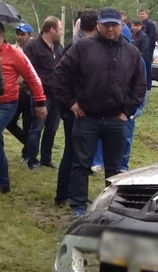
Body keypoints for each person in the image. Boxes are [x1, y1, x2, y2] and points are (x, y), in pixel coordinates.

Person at [54, 7, 146, 215]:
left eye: (114, 25)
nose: (110, 29)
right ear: (98, 25)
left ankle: (110, 206)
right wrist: (71, 102)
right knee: (81, 163)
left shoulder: (131, 52)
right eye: (106, 25)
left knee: (114, 168)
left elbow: (140, 84)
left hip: (116, 119)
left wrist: (128, 111)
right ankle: (78, 204)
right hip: (87, 117)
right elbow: (60, 74)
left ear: (122, 26)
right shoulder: (83, 47)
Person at [54, 9, 97, 206]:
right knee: (73, 151)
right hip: (74, 109)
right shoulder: (78, 46)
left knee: (79, 152)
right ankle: (64, 193)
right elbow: (61, 78)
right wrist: (71, 103)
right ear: (96, 26)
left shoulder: (82, 45)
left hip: (78, 107)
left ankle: (74, 191)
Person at [0, 22, 47, 193]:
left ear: (2, 36)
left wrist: (41, 102)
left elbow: (33, 78)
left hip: (7, 104)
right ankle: (4, 182)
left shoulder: (15, 54)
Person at [23, 16, 64, 170]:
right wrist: (34, 89)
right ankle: (32, 159)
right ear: (51, 29)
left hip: (56, 94)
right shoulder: (33, 46)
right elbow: (26, 70)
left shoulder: (58, 47)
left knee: (52, 129)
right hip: (41, 94)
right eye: (60, 29)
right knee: (37, 127)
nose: (61, 32)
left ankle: (46, 158)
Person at [6, 23, 34, 158]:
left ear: (30, 35)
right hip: (15, 91)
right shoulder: (12, 49)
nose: (19, 37)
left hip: (29, 91)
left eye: (23, 34)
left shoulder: (34, 49)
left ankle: (28, 152)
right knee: (10, 122)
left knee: (28, 123)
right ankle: (29, 143)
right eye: (18, 34)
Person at [138, 8, 157, 90]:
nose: (142, 15)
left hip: (148, 50)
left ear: (147, 14)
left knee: (147, 67)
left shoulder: (150, 24)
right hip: (139, 49)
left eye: (143, 13)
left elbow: (152, 37)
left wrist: (147, 48)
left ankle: (148, 86)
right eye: (140, 13)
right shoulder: (138, 24)